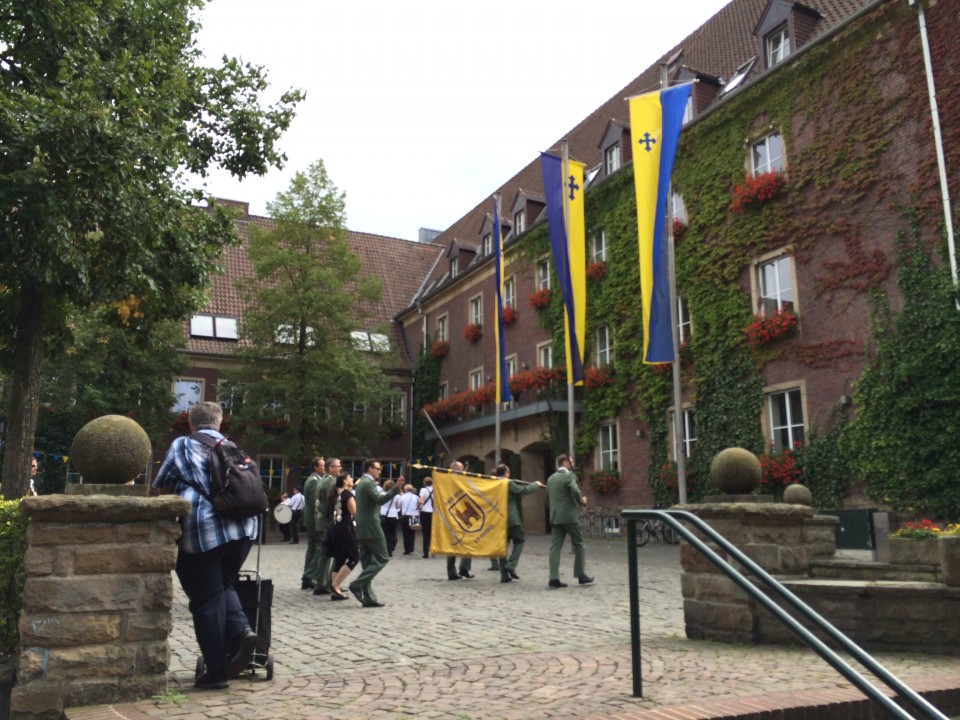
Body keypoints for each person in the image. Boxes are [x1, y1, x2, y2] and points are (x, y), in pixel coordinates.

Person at [152, 401, 259, 690]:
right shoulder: (233, 446)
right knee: (224, 584)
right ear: (220, 422)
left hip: (204, 530)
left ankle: (217, 672)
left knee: (205, 599)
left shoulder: (183, 445)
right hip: (244, 529)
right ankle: (242, 631)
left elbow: (163, 486)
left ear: (190, 423)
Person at [348, 459, 401, 608]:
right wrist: (396, 488)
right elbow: (379, 499)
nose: (380, 471)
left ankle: (369, 598)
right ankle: (356, 585)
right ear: (370, 469)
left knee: (367, 562)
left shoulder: (361, 483)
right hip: (371, 526)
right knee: (383, 557)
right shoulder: (368, 483)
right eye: (378, 468)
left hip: (362, 526)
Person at [546, 454, 593, 588]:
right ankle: (581, 575)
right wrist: (581, 501)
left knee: (555, 547)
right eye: (571, 462)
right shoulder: (569, 476)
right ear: (565, 462)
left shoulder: (550, 478)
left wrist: (554, 511)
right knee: (579, 543)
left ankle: (553, 577)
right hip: (569, 516)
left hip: (555, 517)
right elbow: (574, 489)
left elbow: (547, 499)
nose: (572, 464)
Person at [495, 464, 545, 583]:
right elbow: (522, 490)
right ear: (506, 472)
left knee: (502, 548)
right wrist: (535, 485)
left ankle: (504, 575)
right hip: (511, 519)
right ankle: (511, 565)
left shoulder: (493, 483)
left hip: (499, 519)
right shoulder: (508, 483)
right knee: (519, 540)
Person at [326, 472, 360, 601]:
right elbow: (354, 512)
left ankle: (335, 591)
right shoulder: (348, 495)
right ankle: (336, 585)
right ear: (345, 481)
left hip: (334, 529)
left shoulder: (335, 494)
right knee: (354, 557)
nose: (353, 479)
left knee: (340, 559)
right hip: (345, 529)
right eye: (350, 477)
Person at [311, 457, 340, 596]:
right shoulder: (330, 481)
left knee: (324, 553)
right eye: (338, 466)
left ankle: (321, 582)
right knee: (328, 553)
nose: (340, 468)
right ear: (330, 468)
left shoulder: (323, 480)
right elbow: (333, 501)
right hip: (326, 521)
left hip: (321, 520)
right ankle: (325, 583)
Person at [446, 461, 474, 580]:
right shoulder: (448, 481)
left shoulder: (461, 480)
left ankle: (463, 568)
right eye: (462, 469)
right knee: (454, 544)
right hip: (453, 514)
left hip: (462, 513)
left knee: (468, 540)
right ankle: (455, 571)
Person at [301, 457, 325, 590]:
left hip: (311, 519)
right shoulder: (314, 481)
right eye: (322, 465)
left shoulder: (314, 480)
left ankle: (308, 576)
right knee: (317, 548)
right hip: (315, 520)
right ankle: (310, 575)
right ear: (315, 467)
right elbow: (316, 502)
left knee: (312, 548)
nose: (324, 468)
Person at [397, 484, 420, 555]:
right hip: (414, 515)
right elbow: (418, 505)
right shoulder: (416, 497)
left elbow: (398, 505)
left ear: (405, 490)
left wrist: (402, 509)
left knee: (405, 533)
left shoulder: (402, 497)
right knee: (412, 532)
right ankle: (411, 547)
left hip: (405, 515)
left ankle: (407, 549)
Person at [380, 479, 400, 556]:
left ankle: (385, 549)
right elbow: (398, 506)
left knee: (385, 533)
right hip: (393, 514)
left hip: (383, 514)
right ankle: (391, 548)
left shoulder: (381, 494)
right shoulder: (397, 496)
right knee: (392, 532)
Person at [418, 477, 434, 558]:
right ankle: (433, 550)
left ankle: (425, 553)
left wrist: (419, 506)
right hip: (433, 512)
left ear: (424, 482)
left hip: (425, 512)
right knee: (433, 532)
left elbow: (421, 500)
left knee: (425, 533)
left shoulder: (423, 490)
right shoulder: (435, 490)